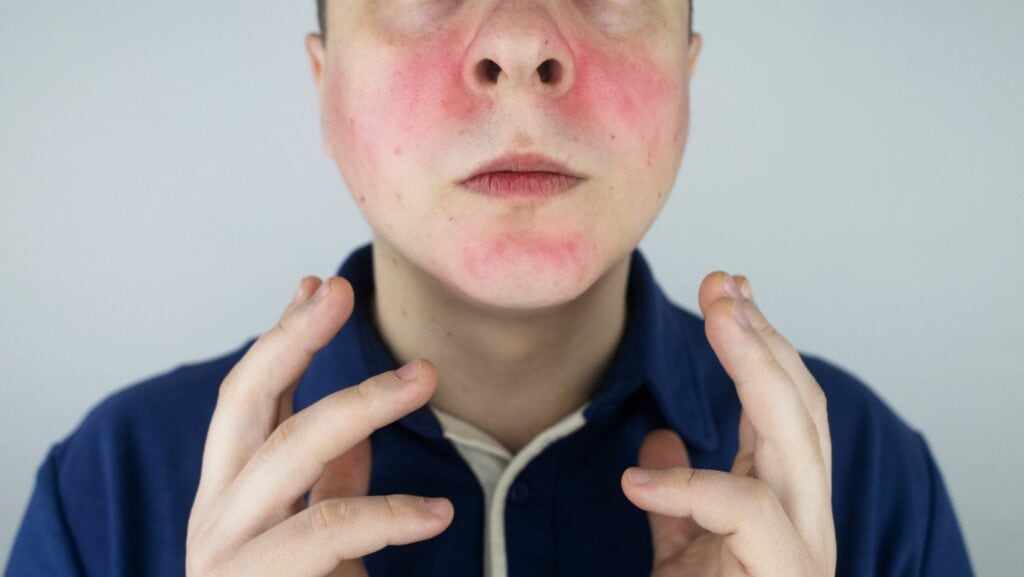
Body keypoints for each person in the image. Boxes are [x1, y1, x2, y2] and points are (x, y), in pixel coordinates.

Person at [5, 2, 975, 576]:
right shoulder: (111, 486)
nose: (517, 41)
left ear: (687, 73)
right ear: (324, 85)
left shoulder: (869, 475)